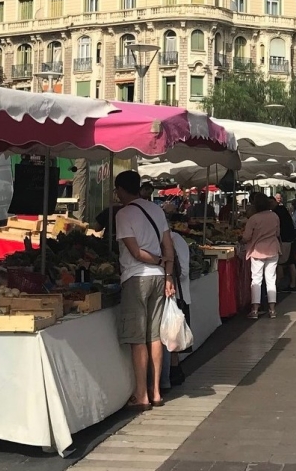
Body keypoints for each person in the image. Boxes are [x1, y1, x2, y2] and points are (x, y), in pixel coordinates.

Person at [113, 170, 176, 411]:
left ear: (120, 189)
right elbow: (168, 246)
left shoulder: (124, 214)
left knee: (138, 339)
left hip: (136, 277)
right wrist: (167, 274)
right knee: (155, 335)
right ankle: (157, 392)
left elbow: (135, 252)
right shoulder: (156, 210)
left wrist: (158, 263)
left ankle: (142, 394)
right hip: (159, 279)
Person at [160, 223, 191, 390]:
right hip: (171, 294)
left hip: (176, 295)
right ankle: (174, 371)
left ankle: (173, 372)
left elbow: (184, 271)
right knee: (170, 337)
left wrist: (168, 277)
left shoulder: (176, 240)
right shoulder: (169, 240)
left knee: (173, 336)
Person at [243, 192, 281, 319]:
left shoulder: (253, 219)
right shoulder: (274, 216)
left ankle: (254, 310)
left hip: (257, 251)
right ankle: (272, 309)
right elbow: (277, 232)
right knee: (271, 279)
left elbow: (246, 237)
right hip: (273, 249)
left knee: (256, 280)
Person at [272, 193, 296, 293]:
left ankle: (277, 285)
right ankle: (293, 284)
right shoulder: (283, 211)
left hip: (284, 240)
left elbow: (278, 230)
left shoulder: (276, 212)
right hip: (291, 238)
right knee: (291, 262)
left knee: (280, 263)